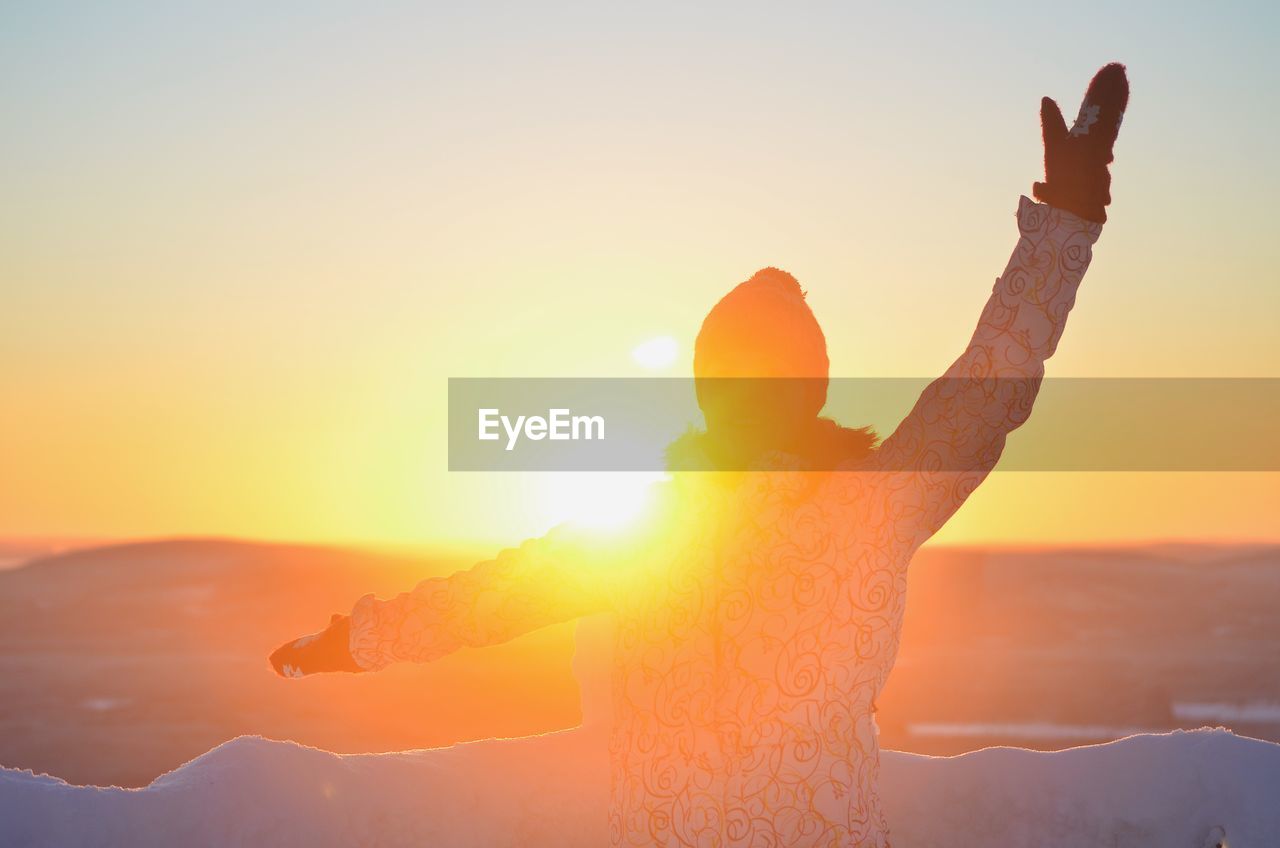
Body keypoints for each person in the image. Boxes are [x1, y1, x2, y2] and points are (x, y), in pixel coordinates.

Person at [271, 63, 1129, 847]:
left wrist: (356, 641)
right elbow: (993, 379)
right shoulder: (870, 503)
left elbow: (489, 599)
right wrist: (1065, 223)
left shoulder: (652, 534)